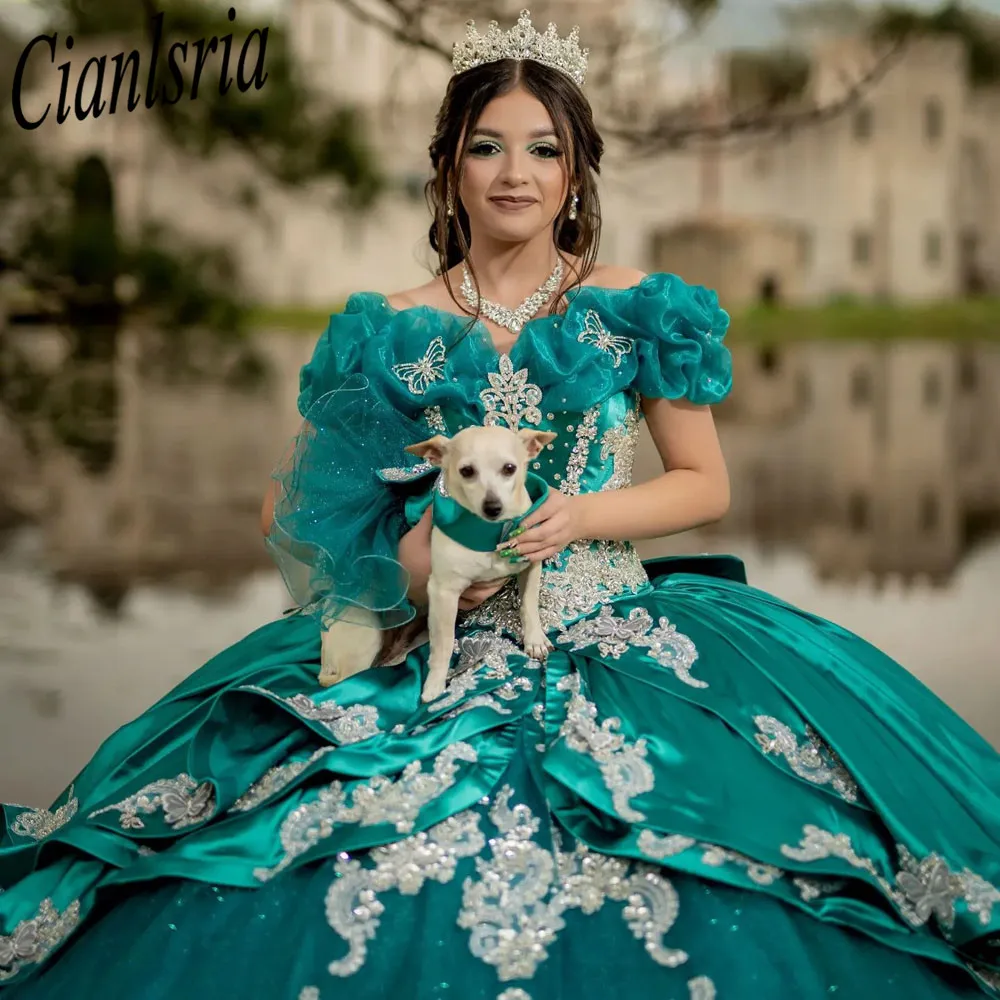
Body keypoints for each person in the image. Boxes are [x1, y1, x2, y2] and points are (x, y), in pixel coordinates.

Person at [1, 9, 999, 998]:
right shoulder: (390, 330)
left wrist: (581, 517)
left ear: (575, 173)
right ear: (449, 167)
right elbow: (299, 510)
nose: (514, 173)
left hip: (611, 614)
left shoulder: (636, 307)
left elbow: (706, 485)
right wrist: (401, 563)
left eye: (542, 149)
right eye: (486, 147)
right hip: (438, 628)